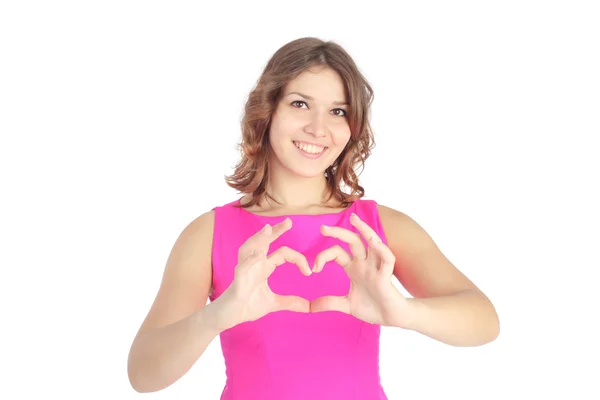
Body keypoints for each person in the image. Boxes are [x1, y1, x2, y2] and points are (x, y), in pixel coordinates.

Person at [127, 37, 500, 399]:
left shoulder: (379, 229)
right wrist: (217, 316)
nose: (318, 129)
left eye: (338, 111)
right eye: (301, 104)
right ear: (267, 110)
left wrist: (404, 311)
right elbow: (142, 374)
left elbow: (484, 321)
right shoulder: (208, 234)